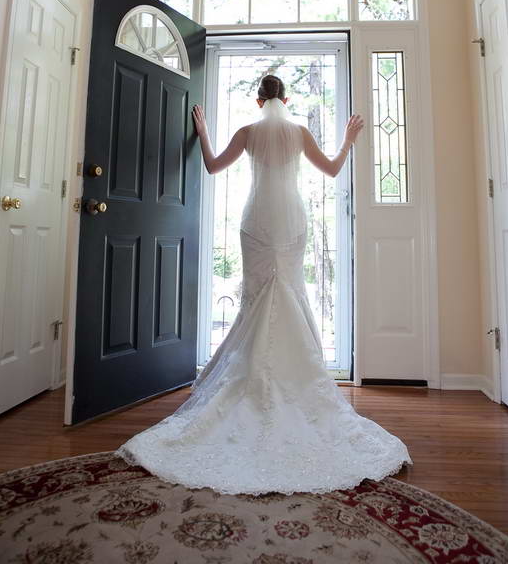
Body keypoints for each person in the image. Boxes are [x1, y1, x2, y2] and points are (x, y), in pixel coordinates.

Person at [116, 74, 413, 494]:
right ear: (285, 100)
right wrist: (348, 139)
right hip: (291, 220)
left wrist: (201, 133)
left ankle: (250, 375)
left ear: (259, 101)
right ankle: (295, 374)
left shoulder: (248, 132)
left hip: (256, 220)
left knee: (256, 297)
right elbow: (330, 169)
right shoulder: (299, 132)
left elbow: (213, 165)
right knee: (288, 291)